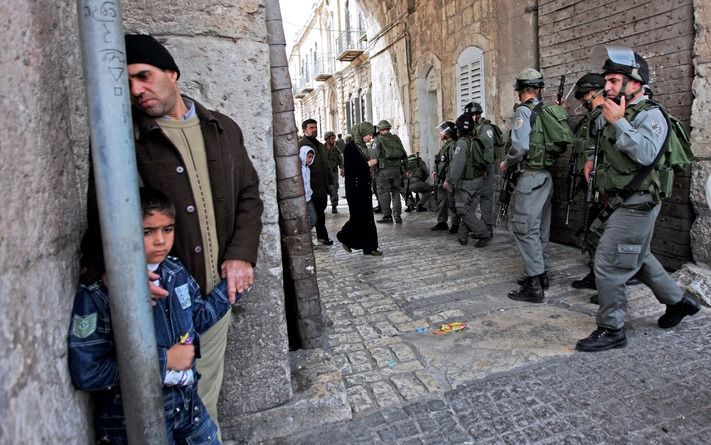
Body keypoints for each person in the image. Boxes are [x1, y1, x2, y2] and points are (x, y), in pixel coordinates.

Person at [80, 34, 264, 436]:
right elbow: (100, 216)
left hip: (212, 298)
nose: (137, 91)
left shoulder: (223, 129)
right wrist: (117, 274)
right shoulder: (124, 138)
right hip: (156, 306)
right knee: (154, 413)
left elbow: (249, 195)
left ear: (172, 73)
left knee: (203, 405)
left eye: (143, 76)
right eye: (126, 83)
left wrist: (241, 254)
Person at [70, 188, 237, 444]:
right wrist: (164, 360)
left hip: (188, 407)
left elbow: (198, 317)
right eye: (148, 232)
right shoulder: (98, 295)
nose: (160, 240)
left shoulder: (175, 271)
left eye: (167, 229)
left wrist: (232, 287)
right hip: (135, 420)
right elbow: (88, 371)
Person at [576, 46, 700, 352]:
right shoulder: (620, 109)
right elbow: (611, 151)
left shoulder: (651, 114)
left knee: (607, 262)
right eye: (607, 80)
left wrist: (619, 122)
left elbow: (646, 154)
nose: (607, 86)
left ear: (635, 83)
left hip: (638, 202)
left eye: (615, 81)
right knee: (638, 256)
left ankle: (611, 328)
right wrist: (593, 160)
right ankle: (679, 302)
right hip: (619, 200)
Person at [501, 68, 555, 303]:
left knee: (524, 228)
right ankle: (541, 274)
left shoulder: (523, 111)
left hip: (530, 177)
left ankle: (534, 285)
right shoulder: (547, 111)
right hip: (546, 177)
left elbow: (521, 146)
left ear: (520, 91)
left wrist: (507, 161)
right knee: (541, 228)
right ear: (539, 89)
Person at [567, 73, 607, 292]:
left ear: (593, 92)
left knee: (597, 230)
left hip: (600, 183)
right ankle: (595, 272)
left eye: (583, 95)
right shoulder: (591, 118)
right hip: (590, 180)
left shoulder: (602, 116)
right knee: (591, 228)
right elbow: (579, 136)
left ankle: (601, 276)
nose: (581, 100)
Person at [444, 113, 493, 247]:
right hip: (478, 181)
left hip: (466, 183)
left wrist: (450, 181)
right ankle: (463, 237)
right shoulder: (476, 141)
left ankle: (484, 233)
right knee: (468, 211)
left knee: (462, 210)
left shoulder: (462, 143)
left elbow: (457, 165)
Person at [336, 121, 382, 256]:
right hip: (355, 188)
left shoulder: (362, 147)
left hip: (363, 187)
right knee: (359, 217)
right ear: (361, 133)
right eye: (368, 135)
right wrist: (368, 164)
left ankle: (369, 247)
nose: (370, 137)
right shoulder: (350, 148)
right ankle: (345, 236)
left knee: (366, 217)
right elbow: (351, 169)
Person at [464, 101, 499, 238]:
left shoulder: (486, 128)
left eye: (471, 115)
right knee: (480, 197)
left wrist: (484, 168)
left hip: (485, 168)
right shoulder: (477, 127)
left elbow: (488, 149)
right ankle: (482, 228)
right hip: (479, 168)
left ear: (476, 115)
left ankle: (487, 230)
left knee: (486, 198)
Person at [299, 119, 334, 244]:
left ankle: (321, 236)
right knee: (315, 215)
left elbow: (325, 163)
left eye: (315, 127)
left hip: (321, 185)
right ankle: (320, 236)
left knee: (320, 211)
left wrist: (329, 180)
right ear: (305, 130)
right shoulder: (302, 145)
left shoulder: (319, 144)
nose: (314, 129)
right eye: (311, 127)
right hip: (311, 186)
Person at [373, 119, 408, 224]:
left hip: (383, 172)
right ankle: (397, 216)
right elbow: (404, 154)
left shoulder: (378, 140)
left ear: (379, 129)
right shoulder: (396, 138)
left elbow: (375, 156)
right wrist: (406, 169)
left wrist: (372, 170)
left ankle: (387, 216)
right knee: (396, 192)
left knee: (384, 193)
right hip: (397, 171)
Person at [431, 121, 458, 231]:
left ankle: (455, 224)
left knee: (452, 202)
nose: (440, 133)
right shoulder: (445, 145)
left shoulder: (452, 145)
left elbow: (453, 163)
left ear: (448, 132)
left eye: (442, 131)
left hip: (448, 178)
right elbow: (439, 160)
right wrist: (434, 170)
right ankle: (442, 222)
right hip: (441, 178)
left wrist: (449, 179)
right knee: (441, 201)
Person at [323, 131, 343, 213]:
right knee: (323, 190)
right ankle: (322, 207)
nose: (334, 140)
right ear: (327, 139)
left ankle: (334, 205)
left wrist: (342, 168)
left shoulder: (336, 149)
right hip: (324, 173)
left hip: (333, 172)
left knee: (334, 190)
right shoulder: (321, 149)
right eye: (332, 139)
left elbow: (340, 160)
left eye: (334, 138)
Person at [300, 146, 318, 228]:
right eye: (309, 157)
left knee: (313, 219)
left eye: (312, 157)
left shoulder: (307, 169)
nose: (310, 159)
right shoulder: (299, 169)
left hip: (308, 198)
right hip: (302, 199)